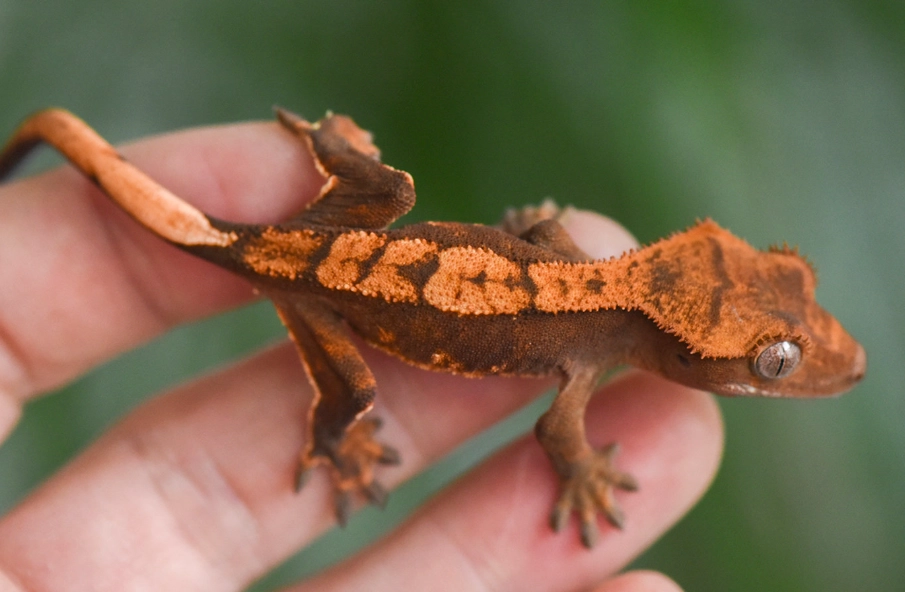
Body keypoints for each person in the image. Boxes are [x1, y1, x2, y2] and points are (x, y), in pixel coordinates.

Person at [0, 119, 722, 591]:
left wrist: (337, 146)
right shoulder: (584, 363)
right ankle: (331, 446)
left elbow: (541, 231)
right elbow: (559, 435)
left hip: (333, 241)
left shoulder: (576, 278)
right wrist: (584, 472)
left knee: (391, 189)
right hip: (316, 286)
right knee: (352, 398)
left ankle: (331, 147)